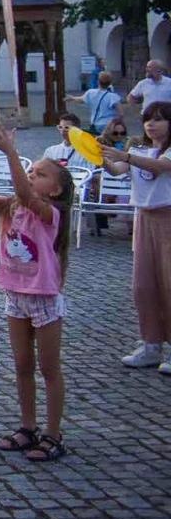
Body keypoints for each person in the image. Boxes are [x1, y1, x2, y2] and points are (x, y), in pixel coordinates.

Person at [0, 126, 74, 462]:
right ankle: (28, 426)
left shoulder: (50, 214)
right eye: (31, 170)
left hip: (43, 298)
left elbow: (26, 195)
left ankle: (53, 434)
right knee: (22, 365)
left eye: (40, 174)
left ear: (55, 189)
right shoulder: (12, 207)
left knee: (49, 368)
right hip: (15, 295)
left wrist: (12, 154)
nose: (31, 175)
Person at [106, 101, 171, 373]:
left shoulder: (161, 153)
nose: (151, 124)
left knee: (169, 283)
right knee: (143, 285)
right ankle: (151, 344)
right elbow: (117, 170)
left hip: (167, 217)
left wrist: (126, 156)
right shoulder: (138, 150)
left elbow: (159, 167)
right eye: (147, 119)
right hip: (143, 217)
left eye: (159, 119)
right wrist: (101, 156)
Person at [69, 70, 122, 135]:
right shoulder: (113, 96)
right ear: (110, 83)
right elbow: (121, 113)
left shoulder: (91, 92)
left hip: (95, 124)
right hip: (108, 125)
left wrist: (72, 98)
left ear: (98, 82)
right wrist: (118, 123)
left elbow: (81, 99)